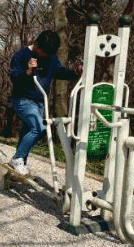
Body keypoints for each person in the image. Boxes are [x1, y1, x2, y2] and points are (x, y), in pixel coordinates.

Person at [9, 30, 81, 175]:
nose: (46, 56)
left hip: (41, 102)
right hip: (22, 100)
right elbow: (14, 78)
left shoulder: (51, 58)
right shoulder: (21, 55)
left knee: (27, 133)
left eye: (49, 54)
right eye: (44, 53)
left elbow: (59, 72)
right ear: (36, 44)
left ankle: (20, 163)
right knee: (39, 128)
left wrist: (75, 72)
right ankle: (17, 159)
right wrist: (28, 71)